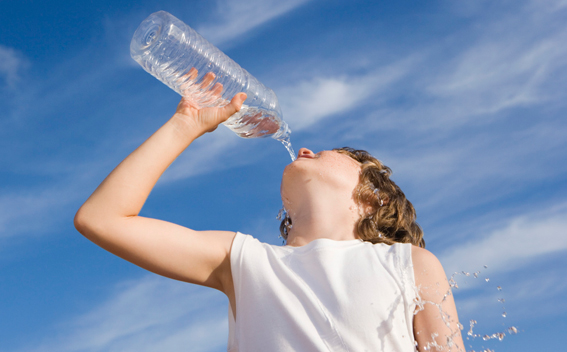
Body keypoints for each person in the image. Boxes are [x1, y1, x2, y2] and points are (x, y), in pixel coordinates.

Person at [75, 87, 464, 351]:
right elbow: (102, 218)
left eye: (332, 152)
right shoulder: (244, 261)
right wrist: (185, 126)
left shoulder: (407, 263)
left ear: (374, 197)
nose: (308, 148)